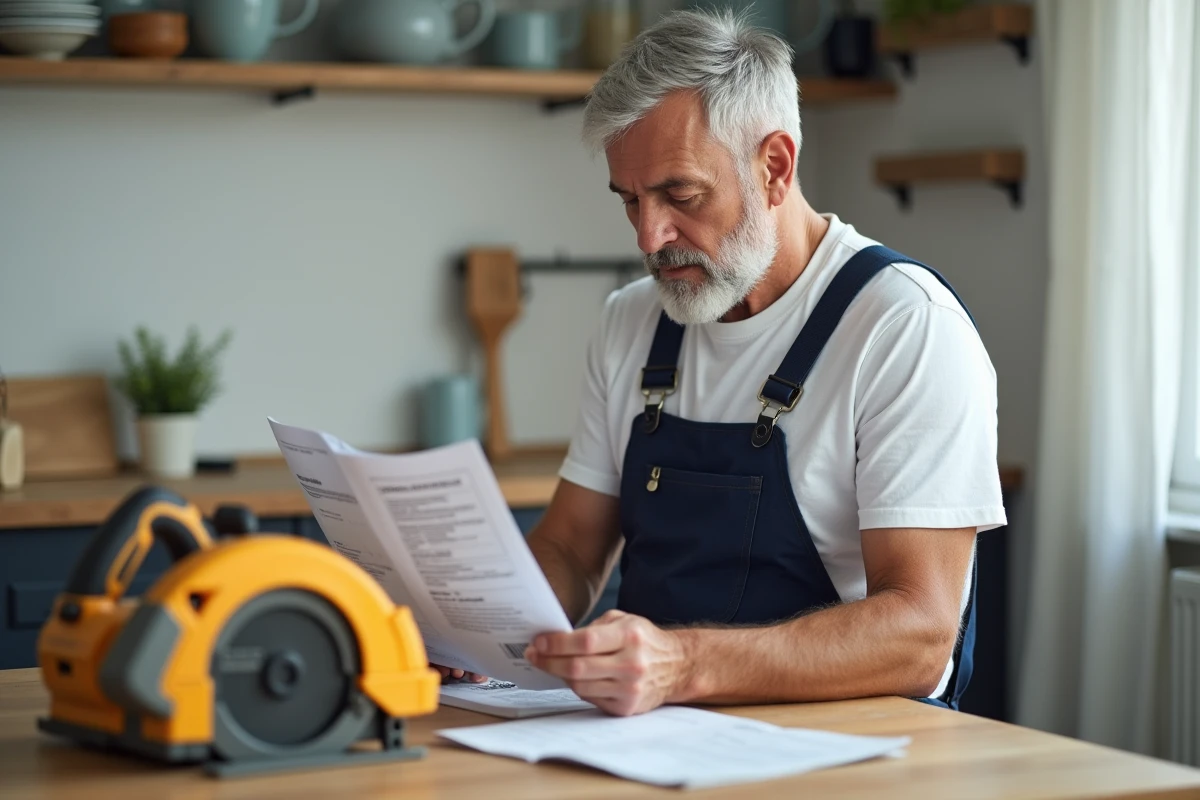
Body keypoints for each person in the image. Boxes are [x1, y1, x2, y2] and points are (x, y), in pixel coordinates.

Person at [440, 8, 1006, 716]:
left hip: (855, 757)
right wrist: (476, 630)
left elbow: (920, 637)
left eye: (680, 195)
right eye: (630, 201)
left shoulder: (903, 328)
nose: (651, 235)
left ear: (774, 167)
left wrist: (683, 665)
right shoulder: (633, 321)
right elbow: (572, 549)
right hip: (652, 744)